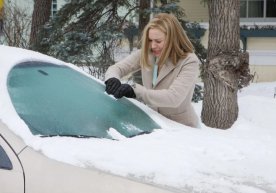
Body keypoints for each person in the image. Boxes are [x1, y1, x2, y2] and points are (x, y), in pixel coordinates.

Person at [104, 13, 200, 128]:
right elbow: (116, 68)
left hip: (182, 128)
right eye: (150, 40)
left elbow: (174, 98)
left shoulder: (189, 61)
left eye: (158, 41)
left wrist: (136, 91)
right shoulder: (147, 53)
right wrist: (112, 79)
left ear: (172, 40)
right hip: (153, 124)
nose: (153, 45)